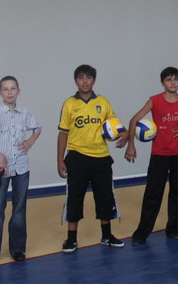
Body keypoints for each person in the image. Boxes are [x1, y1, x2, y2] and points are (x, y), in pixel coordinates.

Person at [125, 67, 178, 245]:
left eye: (175, 79)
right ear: (162, 83)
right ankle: (142, 233)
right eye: (169, 79)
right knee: (153, 193)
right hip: (160, 153)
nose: (173, 82)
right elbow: (134, 120)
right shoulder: (155, 100)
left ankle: (174, 229)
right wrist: (131, 145)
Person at [57, 65, 129, 253]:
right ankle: (71, 239)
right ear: (76, 81)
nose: (85, 81)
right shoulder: (69, 104)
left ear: (94, 80)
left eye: (88, 77)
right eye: (81, 77)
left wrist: (126, 133)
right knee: (75, 198)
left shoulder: (103, 102)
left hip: (101, 157)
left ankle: (107, 236)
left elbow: (115, 125)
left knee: (105, 197)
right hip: (76, 157)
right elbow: (63, 133)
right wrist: (60, 160)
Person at [0, 76, 41, 265]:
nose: (10, 92)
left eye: (13, 88)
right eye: (5, 89)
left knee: (19, 209)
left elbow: (37, 128)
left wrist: (30, 141)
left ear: (18, 91)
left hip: (21, 168)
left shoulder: (25, 113)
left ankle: (18, 249)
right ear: (0, 93)